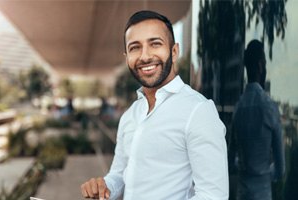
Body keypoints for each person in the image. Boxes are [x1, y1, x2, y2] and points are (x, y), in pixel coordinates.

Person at [81, 10, 229, 200]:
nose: (145, 56)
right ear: (127, 57)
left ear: (174, 51)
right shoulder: (130, 116)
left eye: (155, 44)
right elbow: (119, 175)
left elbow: (213, 195)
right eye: (135, 47)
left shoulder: (198, 111)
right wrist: (102, 188)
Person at [228, 40, 285, 200]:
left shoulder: (238, 109)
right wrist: (263, 173)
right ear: (261, 65)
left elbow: (230, 161)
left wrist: (246, 167)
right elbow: (280, 170)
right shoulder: (270, 107)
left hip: (242, 194)